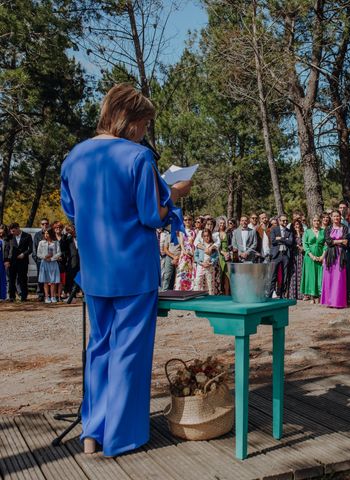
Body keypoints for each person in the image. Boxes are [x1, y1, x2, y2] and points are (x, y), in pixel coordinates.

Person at [60, 83, 191, 456]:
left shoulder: (74, 156)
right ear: (129, 121)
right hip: (133, 268)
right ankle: (121, 436)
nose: (144, 132)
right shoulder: (137, 157)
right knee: (128, 353)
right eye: (145, 124)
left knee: (99, 349)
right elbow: (153, 215)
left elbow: (72, 211)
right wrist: (176, 193)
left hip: (96, 269)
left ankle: (92, 432)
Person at [321, 210, 349, 308]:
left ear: (340, 217)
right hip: (330, 255)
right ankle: (329, 301)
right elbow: (328, 241)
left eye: (338, 216)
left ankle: (338, 301)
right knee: (329, 277)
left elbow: (346, 241)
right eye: (334, 216)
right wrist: (340, 241)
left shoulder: (345, 228)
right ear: (331, 218)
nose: (336, 218)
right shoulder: (328, 228)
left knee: (339, 278)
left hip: (340, 255)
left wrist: (335, 241)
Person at [5, 222, 33, 302]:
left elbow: (30, 249)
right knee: (11, 279)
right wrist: (6, 260)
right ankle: (11, 297)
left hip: (23, 261)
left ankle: (24, 296)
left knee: (22, 279)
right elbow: (6, 249)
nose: (12, 233)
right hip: (11, 261)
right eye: (11, 231)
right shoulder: (9, 237)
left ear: (18, 228)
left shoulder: (27, 236)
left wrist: (24, 254)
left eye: (13, 231)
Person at [301, 215, 325, 303]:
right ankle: (311, 296)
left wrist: (322, 256)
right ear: (312, 222)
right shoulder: (307, 232)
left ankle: (319, 295)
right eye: (315, 220)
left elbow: (325, 245)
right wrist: (311, 256)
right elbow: (305, 245)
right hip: (309, 257)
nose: (316, 222)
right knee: (311, 276)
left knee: (320, 275)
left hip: (320, 256)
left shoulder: (323, 231)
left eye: (318, 220)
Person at [269, 214, 294, 298]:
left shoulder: (289, 231)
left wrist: (280, 239)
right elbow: (273, 241)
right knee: (273, 275)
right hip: (276, 254)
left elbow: (290, 242)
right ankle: (270, 293)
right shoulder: (274, 230)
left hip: (285, 255)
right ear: (279, 221)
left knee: (285, 275)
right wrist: (285, 240)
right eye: (283, 220)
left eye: (286, 220)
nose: (285, 222)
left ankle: (282, 294)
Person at [37, 228, 62, 303]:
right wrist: (45, 256)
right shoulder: (41, 243)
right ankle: (47, 297)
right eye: (45, 233)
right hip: (44, 263)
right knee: (45, 281)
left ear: (51, 234)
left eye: (47, 233)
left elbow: (59, 253)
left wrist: (51, 259)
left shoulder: (56, 243)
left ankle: (53, 296)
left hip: (53, 263)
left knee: (53, 281)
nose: (46, 235)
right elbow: (38, 253)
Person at [175, 215, 197, 291]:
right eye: (186, 220)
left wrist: (192, 254)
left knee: (191, 271)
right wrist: (185, 252)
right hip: (184, 253)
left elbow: (195, 243)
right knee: (182, 270)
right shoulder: (182, 231)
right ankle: (180, 288)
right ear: (183, 221)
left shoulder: (195, 231)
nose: (187, 221)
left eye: (189, 219)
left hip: (192, 253)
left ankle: (190, 289)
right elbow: (181, 243)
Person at [194, 228, 219, 294]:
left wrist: (211, 262)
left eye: (208, 236)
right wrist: (200, 262)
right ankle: (196, 296)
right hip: (201, 266)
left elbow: (216, 256)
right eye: (204, 236)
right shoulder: (200, 245)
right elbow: (195, 256)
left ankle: (211, 297)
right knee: (198, 282)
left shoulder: (213, 246)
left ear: (210, 236)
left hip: (209, 267)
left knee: (210, 284)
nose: (206, 237)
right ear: (202, 237)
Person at [61, 224, 81, 303]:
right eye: (72, 230)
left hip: (83, 261)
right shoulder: (68, 238)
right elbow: (62, 246)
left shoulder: (82, 237)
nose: (73, 231)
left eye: (74, 229)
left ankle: (82, 294)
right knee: (71, 278)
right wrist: (65, 234)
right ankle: (72, 296)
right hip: (72, 261)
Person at [287, 219, 305, 300]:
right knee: (294, 275)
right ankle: (293, 294)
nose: (297, 226)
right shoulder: (291, 235)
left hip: (302, 256)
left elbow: (303, 243)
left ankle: (301, 294)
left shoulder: (303, 234)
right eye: (295, 225)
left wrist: (299, 234)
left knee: (301, 273)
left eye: (298, 224)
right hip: (294, 256)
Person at [32, 218, 49, 301]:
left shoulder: (51, 234)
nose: (45, 225)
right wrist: (36, 259)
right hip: (40, 260)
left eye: (46, 223)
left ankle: (49, 294)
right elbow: (34, 248)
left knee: (50, 277)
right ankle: (40, 294)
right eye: (43, 224)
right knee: (40, 277)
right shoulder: (37, 235)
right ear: (40, 225)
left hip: (50, 260)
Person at [213, 217, 231, 295]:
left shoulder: (228, 233)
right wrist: (222, 252)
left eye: (223, 223)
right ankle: (219, 293)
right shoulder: (215, 234)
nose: (222, 224)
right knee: (219, 275)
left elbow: (231, 245)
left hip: (227, 256)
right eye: (220, 223)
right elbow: (215, 246)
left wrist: (228, 253)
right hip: (218, 255)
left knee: (227, 276)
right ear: (218, 224)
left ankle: (227, 293)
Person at [159, 227, 180, 291]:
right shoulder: (168, 236)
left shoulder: (182, 237)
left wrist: (178, 257)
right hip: (169, 257)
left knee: (179, 276)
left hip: (179, 258)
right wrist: (173, 257)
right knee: (167, 275)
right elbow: (165, 249)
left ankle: (177, 291)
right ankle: (164, 291)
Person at [0, 224, 7, 301]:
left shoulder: (6, 240)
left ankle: (3, 296)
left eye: (2, 233)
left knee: (3, 280)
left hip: (3, 262)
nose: (1, 234)